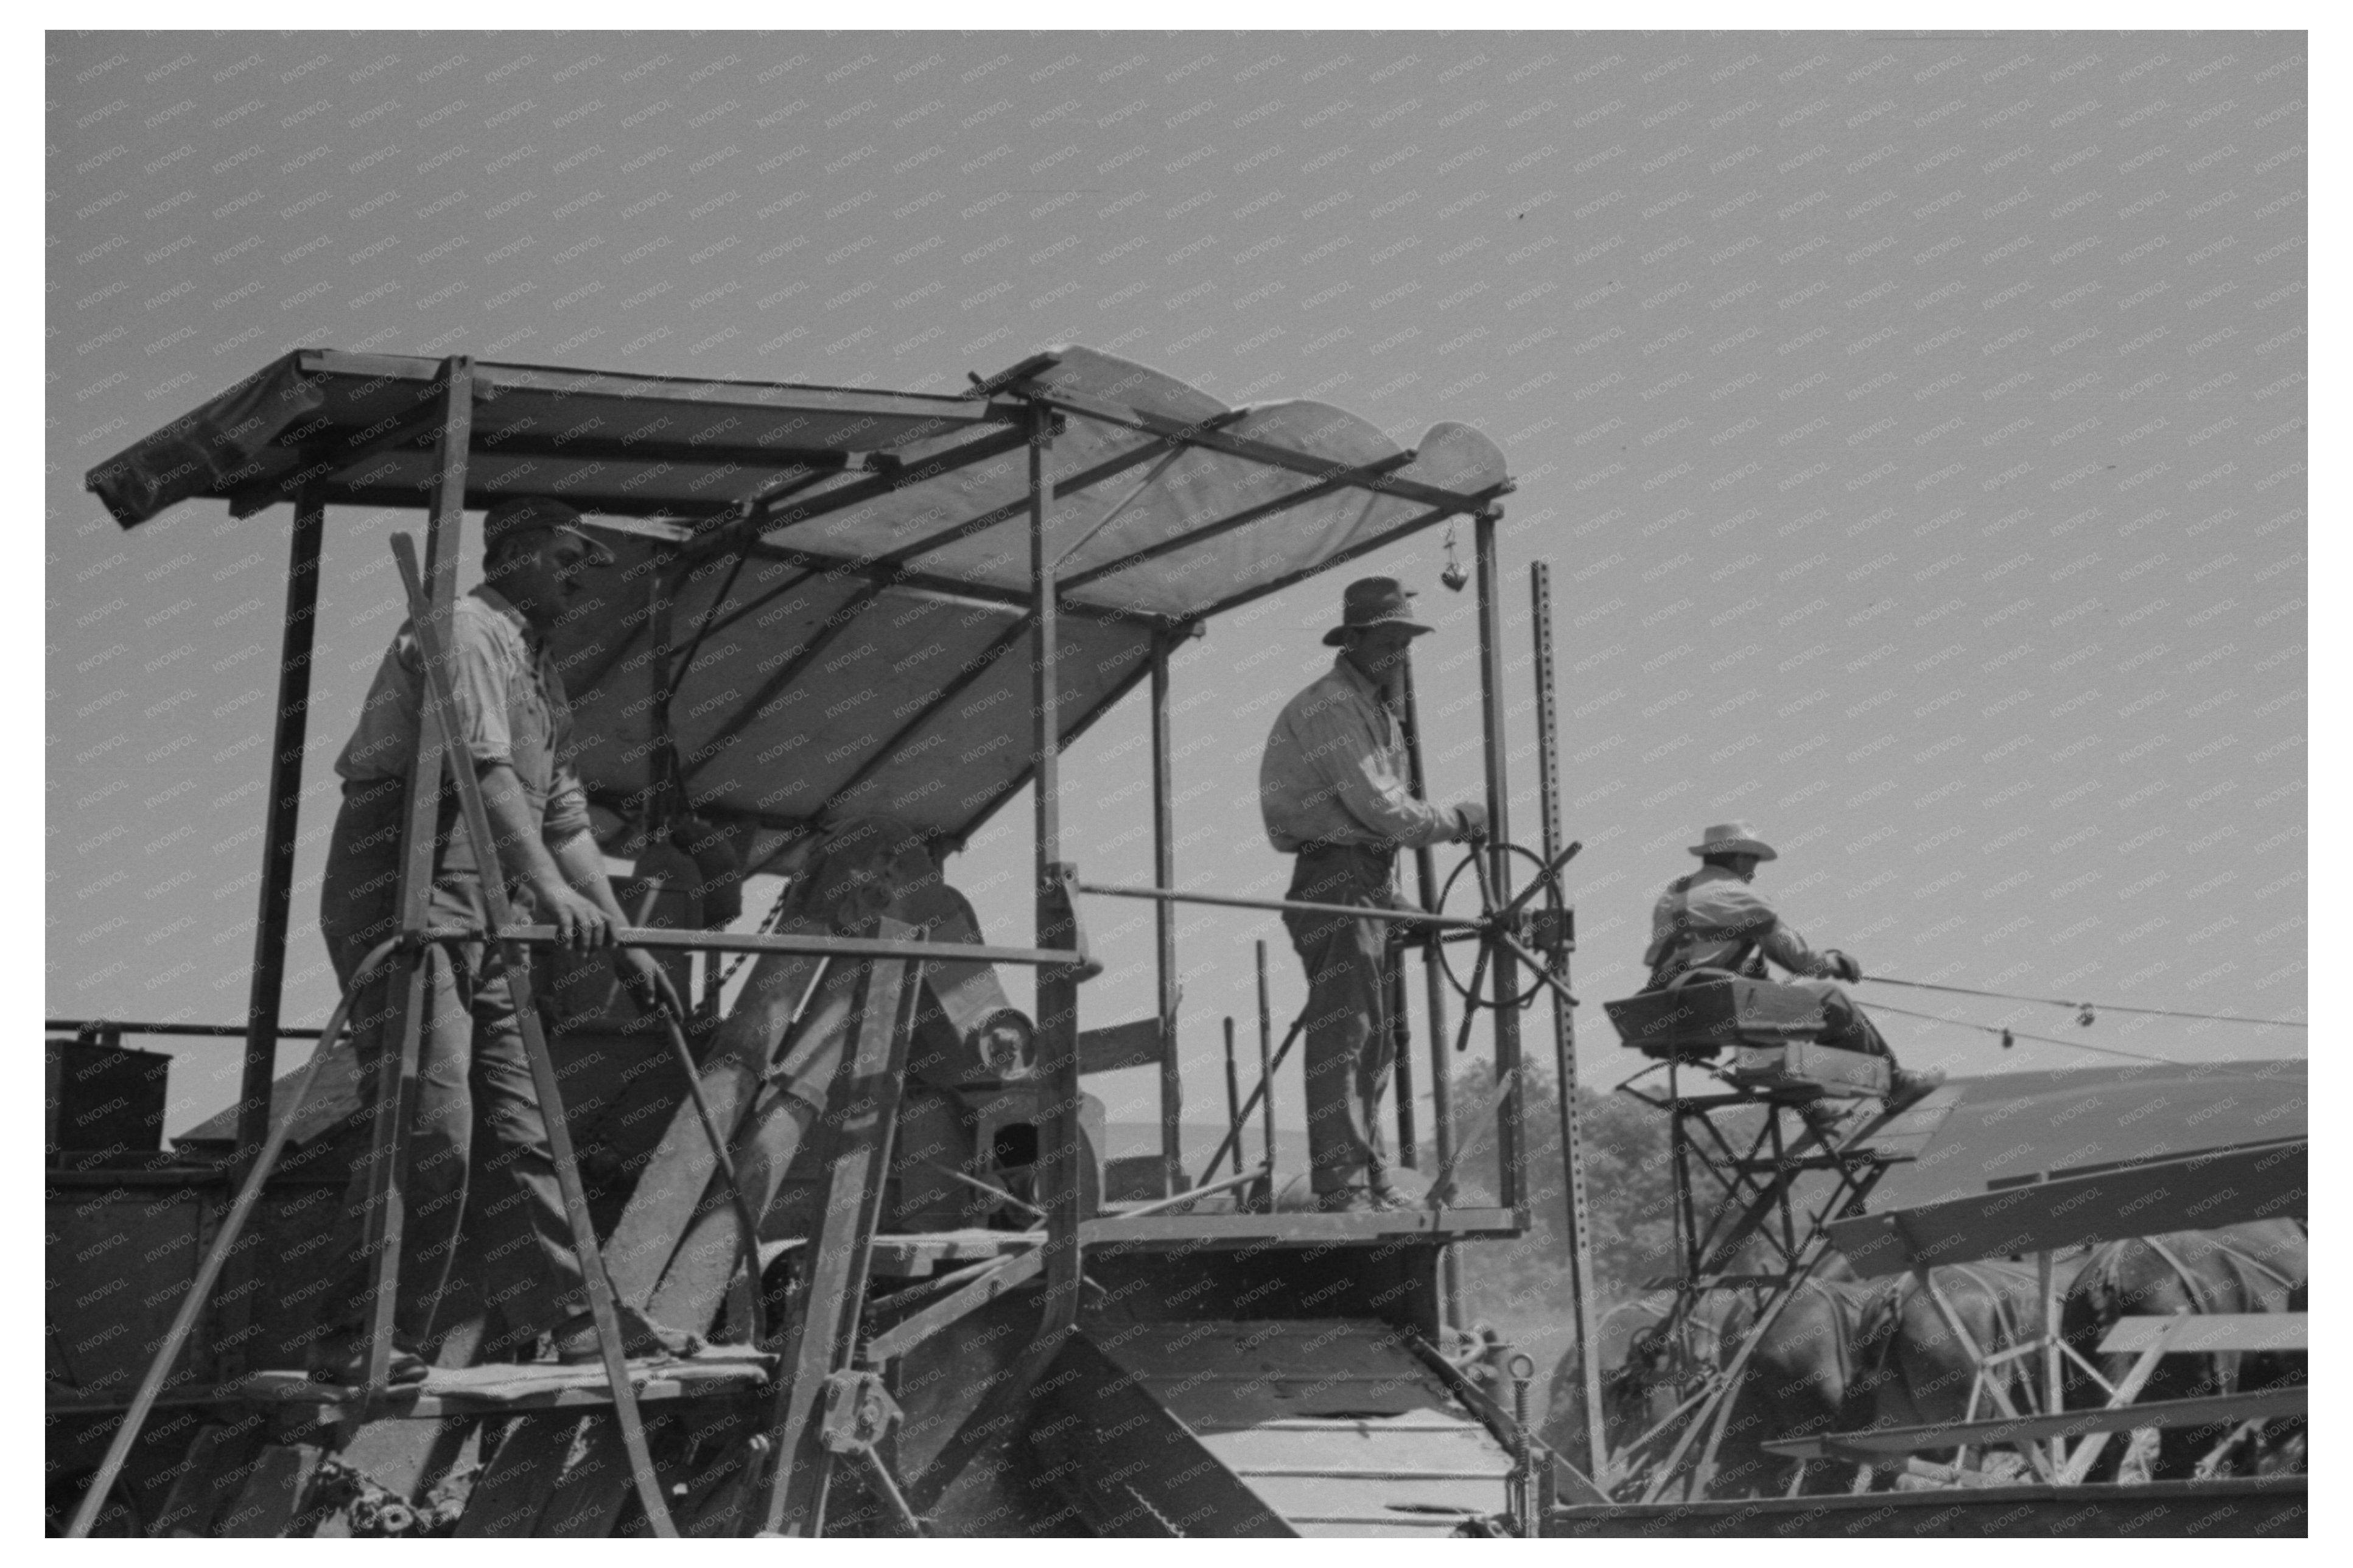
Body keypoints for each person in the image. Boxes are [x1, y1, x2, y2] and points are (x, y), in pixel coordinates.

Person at [310, 495, 694, 1383]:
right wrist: (554, 893)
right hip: (399, 874)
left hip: (489, 893)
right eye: (565, 559)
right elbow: (483, 775)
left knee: (524, 1123)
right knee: (431, 1117)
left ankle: (577, 1321)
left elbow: (560, 813)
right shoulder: (466, 630)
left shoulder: (537, 667)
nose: (575, 581)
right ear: (514, 553)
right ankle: (360, 1340)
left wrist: (625, 938)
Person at [1259, 577, 1487, 1214]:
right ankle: (1343, 1184)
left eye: (1405, 644)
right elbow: (1382, 809)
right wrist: (1460, 822)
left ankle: (1370, 1176)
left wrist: (1398, 901)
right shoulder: (1334, 706)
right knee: (1348, 1035)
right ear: (1354, 639)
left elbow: (1375, 824)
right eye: (1388, 642)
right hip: (1338, 878)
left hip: (1365, 880)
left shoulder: (1375, 711)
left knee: (1376, 1038)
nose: (1399, 656)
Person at [1642, 821, 1942, 1109]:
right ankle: (1897, 1085)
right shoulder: (1742, 897)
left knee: (1763, 1010)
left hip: (1671, 1008)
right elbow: (1799, 960)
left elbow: (1670, 956)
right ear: (1740, 857)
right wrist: (1836, 962)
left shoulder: (1674, 894)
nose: (1754, 871)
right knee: (1830, 999)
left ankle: (1813, 1107)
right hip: (1718, 1004)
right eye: (1754, 861)